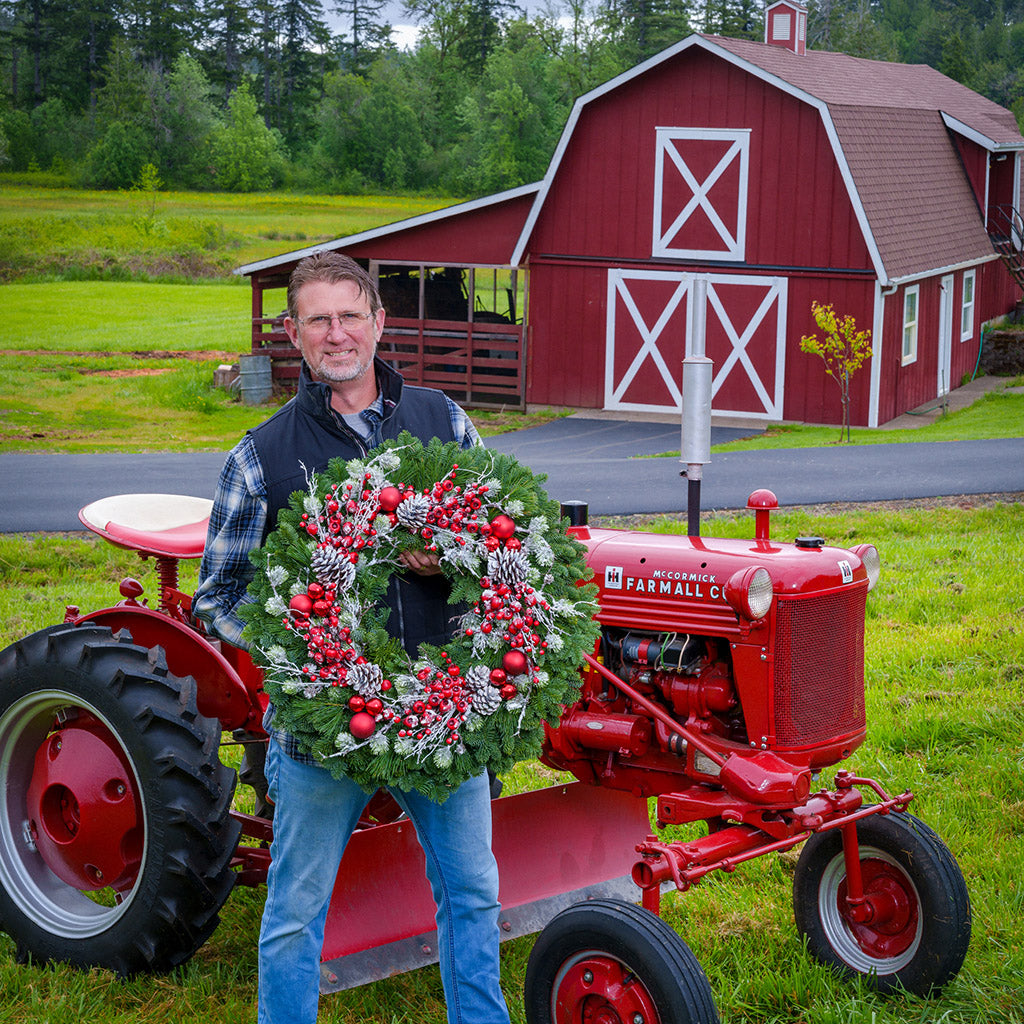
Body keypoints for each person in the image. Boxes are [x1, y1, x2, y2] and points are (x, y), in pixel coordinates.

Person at [193, 251, 511, 1024]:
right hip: (321, 732)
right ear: (294, 336)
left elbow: (506, 549)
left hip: (438, 716)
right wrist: (297, 653)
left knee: (473, 896)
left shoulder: (444, 421)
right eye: (317, 320)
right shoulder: (260, 455)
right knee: (297, 909)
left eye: (349, 315)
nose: (336, 334)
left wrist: (454, 556)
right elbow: (219, 593)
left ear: (377, 322)